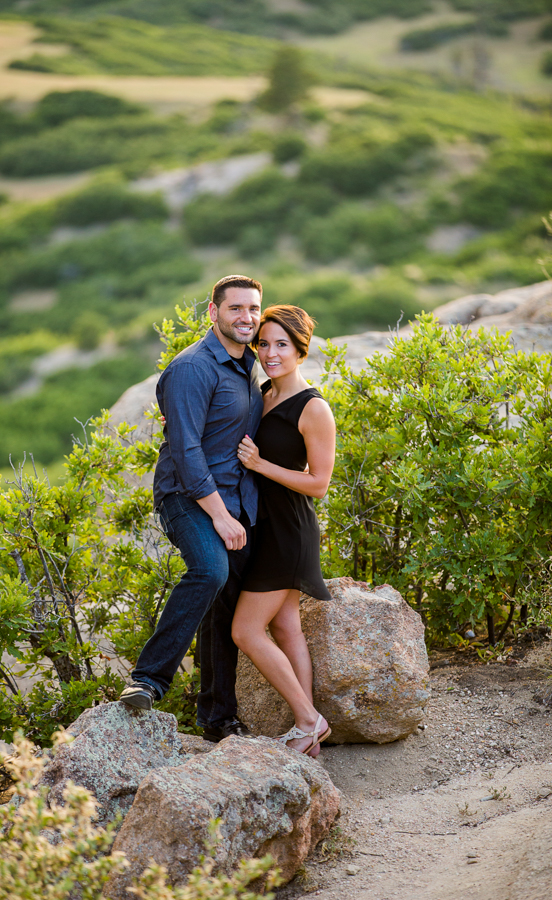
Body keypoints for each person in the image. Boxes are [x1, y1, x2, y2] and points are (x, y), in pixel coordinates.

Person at [119, 274, 264, 743]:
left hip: (238, 500)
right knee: (209, 571)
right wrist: (220, 516)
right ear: (213, 311)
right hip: (188, 497)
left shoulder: (248, 365)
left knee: (227, 606)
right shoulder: (192, 368)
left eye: (253, 310)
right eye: (236, 308)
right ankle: (147, 680)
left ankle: (218, 718)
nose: (246, 318)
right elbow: (185, 449)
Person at [232, 305, 336, 757]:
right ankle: (306, 728)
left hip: (290, 530)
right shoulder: (263, 393)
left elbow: (319, 483)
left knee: (246, 631)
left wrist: (261, 465)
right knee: (286, 625)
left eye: (281, 345)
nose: (270, 353)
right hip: (265, 525)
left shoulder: (313, 408)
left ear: (299, 349)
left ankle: (311, 720)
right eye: (264, 344)